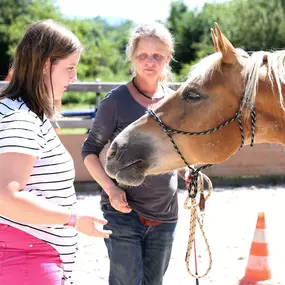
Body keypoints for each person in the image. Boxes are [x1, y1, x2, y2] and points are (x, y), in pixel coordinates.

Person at [0, 19, 111, 285]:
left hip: (30, 256)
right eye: (70, 68)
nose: (74, 78)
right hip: (28, 260)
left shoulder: (21, 112)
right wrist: (72, 219)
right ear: (44, 66)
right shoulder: (21, 119)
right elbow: (6, 196)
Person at [82, 22, 178, 285]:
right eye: (142, 55)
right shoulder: (115, 101)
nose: (150, 62)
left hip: (166, 212)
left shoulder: (174, 102)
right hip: (123, 211)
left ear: (167, 58)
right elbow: (89, 151)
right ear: (132, 58)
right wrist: (112, 191)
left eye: (157, 55)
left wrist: (188, 172)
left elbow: (176, 152)